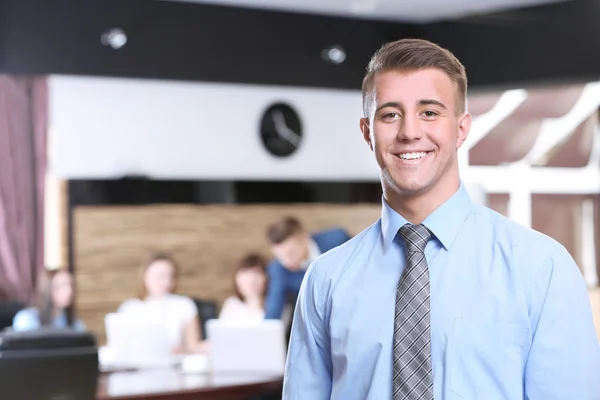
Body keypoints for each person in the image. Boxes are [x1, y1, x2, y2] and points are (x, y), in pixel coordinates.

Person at [283, 38, 600, 399]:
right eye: (390, 114)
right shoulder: (325, 281)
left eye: (429, 112)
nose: (409, 132)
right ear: (367, 132)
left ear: (461, 128)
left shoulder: (541, 269)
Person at [264, 216, 350, 320]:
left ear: (304, 239)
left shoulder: (338, 241)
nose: (286, 261)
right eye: (280, 256)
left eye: (290, 253)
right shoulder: (278, 269)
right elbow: (273, 310)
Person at [118, 253, 208, 354]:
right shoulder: (130, 307)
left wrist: (181, 350)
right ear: (145, 276)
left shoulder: (184, 304)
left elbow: (193, 346)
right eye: (160, 276)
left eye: (170, 276)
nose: (167, 282)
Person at [12, 268, 86, 332]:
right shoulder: (26, 319)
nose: (69, 291)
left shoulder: (75, 324)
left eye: (71, 285)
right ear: (48, 288)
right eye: (62, 286)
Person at [219, 253, 269, 322]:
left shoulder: (275, 306)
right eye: (246, 275)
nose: (251, 281)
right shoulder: (231, 305)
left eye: (256, 274)